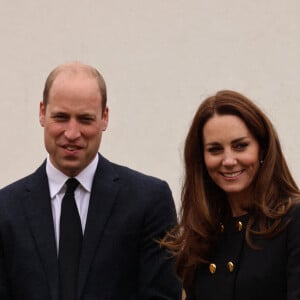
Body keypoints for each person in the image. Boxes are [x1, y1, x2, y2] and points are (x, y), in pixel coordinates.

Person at [0, 62, 182, 300]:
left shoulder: (148, 201)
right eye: (61, 117)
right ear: (42, 113)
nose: (72, 133)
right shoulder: (6, 209)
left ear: (104, 118)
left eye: (85, 119)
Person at [162, 90, 300, 300]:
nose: (228, 160)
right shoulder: (202, 234)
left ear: (262, 148)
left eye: (240, 146)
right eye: (215, 149)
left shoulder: (293, 219)